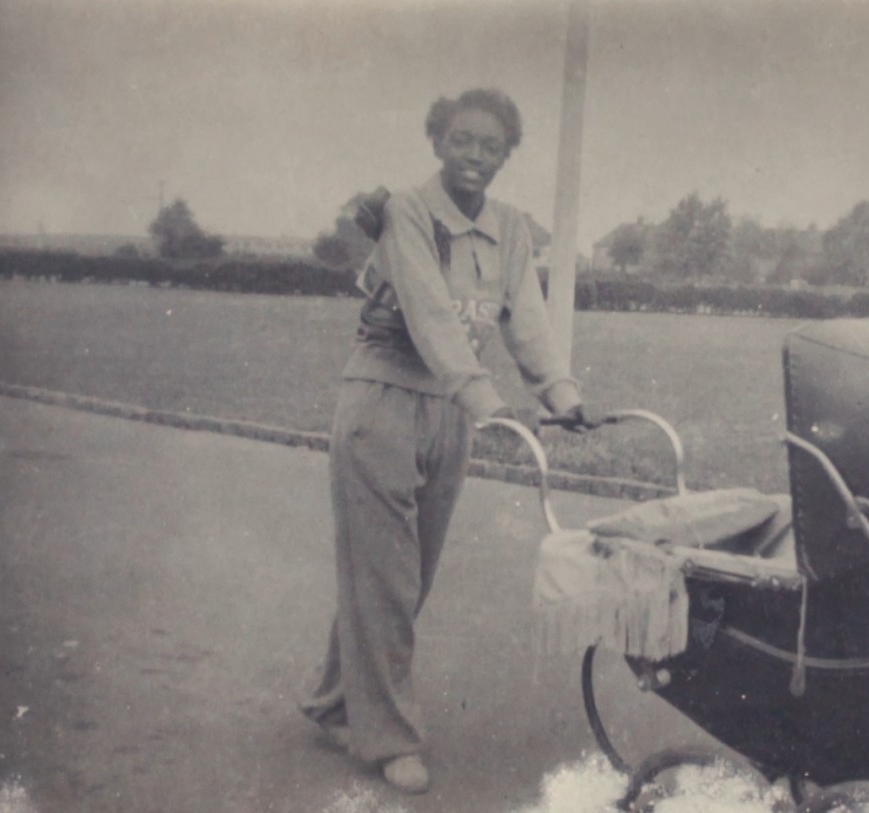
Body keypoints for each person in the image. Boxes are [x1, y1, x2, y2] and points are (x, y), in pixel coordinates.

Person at [301, 87, 597, 794]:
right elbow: (431, 314)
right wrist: (485, 397)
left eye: (489, 145)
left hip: (449, 415)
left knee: (408, 577)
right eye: (461, 140)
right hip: (383, 400)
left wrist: (560, 391)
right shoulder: (407, 210)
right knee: (389, 578)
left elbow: (524, 315)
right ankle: (388, 738)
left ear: (504, 156)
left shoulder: (515, 230)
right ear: (438, 142)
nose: (474, 155)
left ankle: (332, 701)